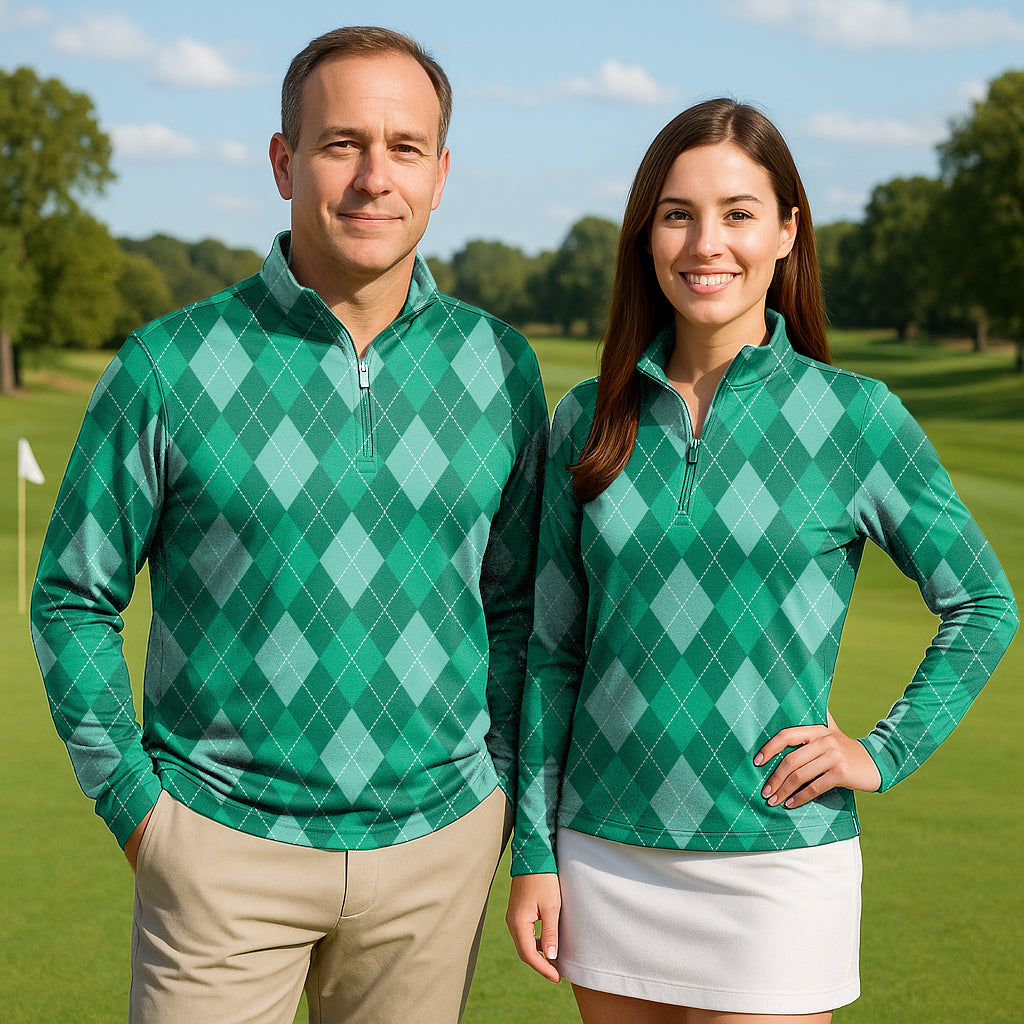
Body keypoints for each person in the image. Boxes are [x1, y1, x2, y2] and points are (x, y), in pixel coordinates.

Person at [32, 25, 548, 1024]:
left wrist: (492, 793)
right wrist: (142, 816)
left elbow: (519, 604)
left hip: (433, 852)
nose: (371, 178)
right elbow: (72, 597)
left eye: (404, 149)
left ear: (440, 175)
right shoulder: (167, 363)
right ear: (283, 161)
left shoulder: (500, 368)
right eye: (339, 143)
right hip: (218, 850)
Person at [506, 98, 1017, 1023]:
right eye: (678, 214)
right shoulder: (586, 417)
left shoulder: (854, 416)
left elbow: (983, 601)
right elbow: (552, 654)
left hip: (776, 858)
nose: (708, 243)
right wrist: (536, 854)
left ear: (787, 232)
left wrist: (884, 752)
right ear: (646, 235)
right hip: (605, 850)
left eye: (740, 213)